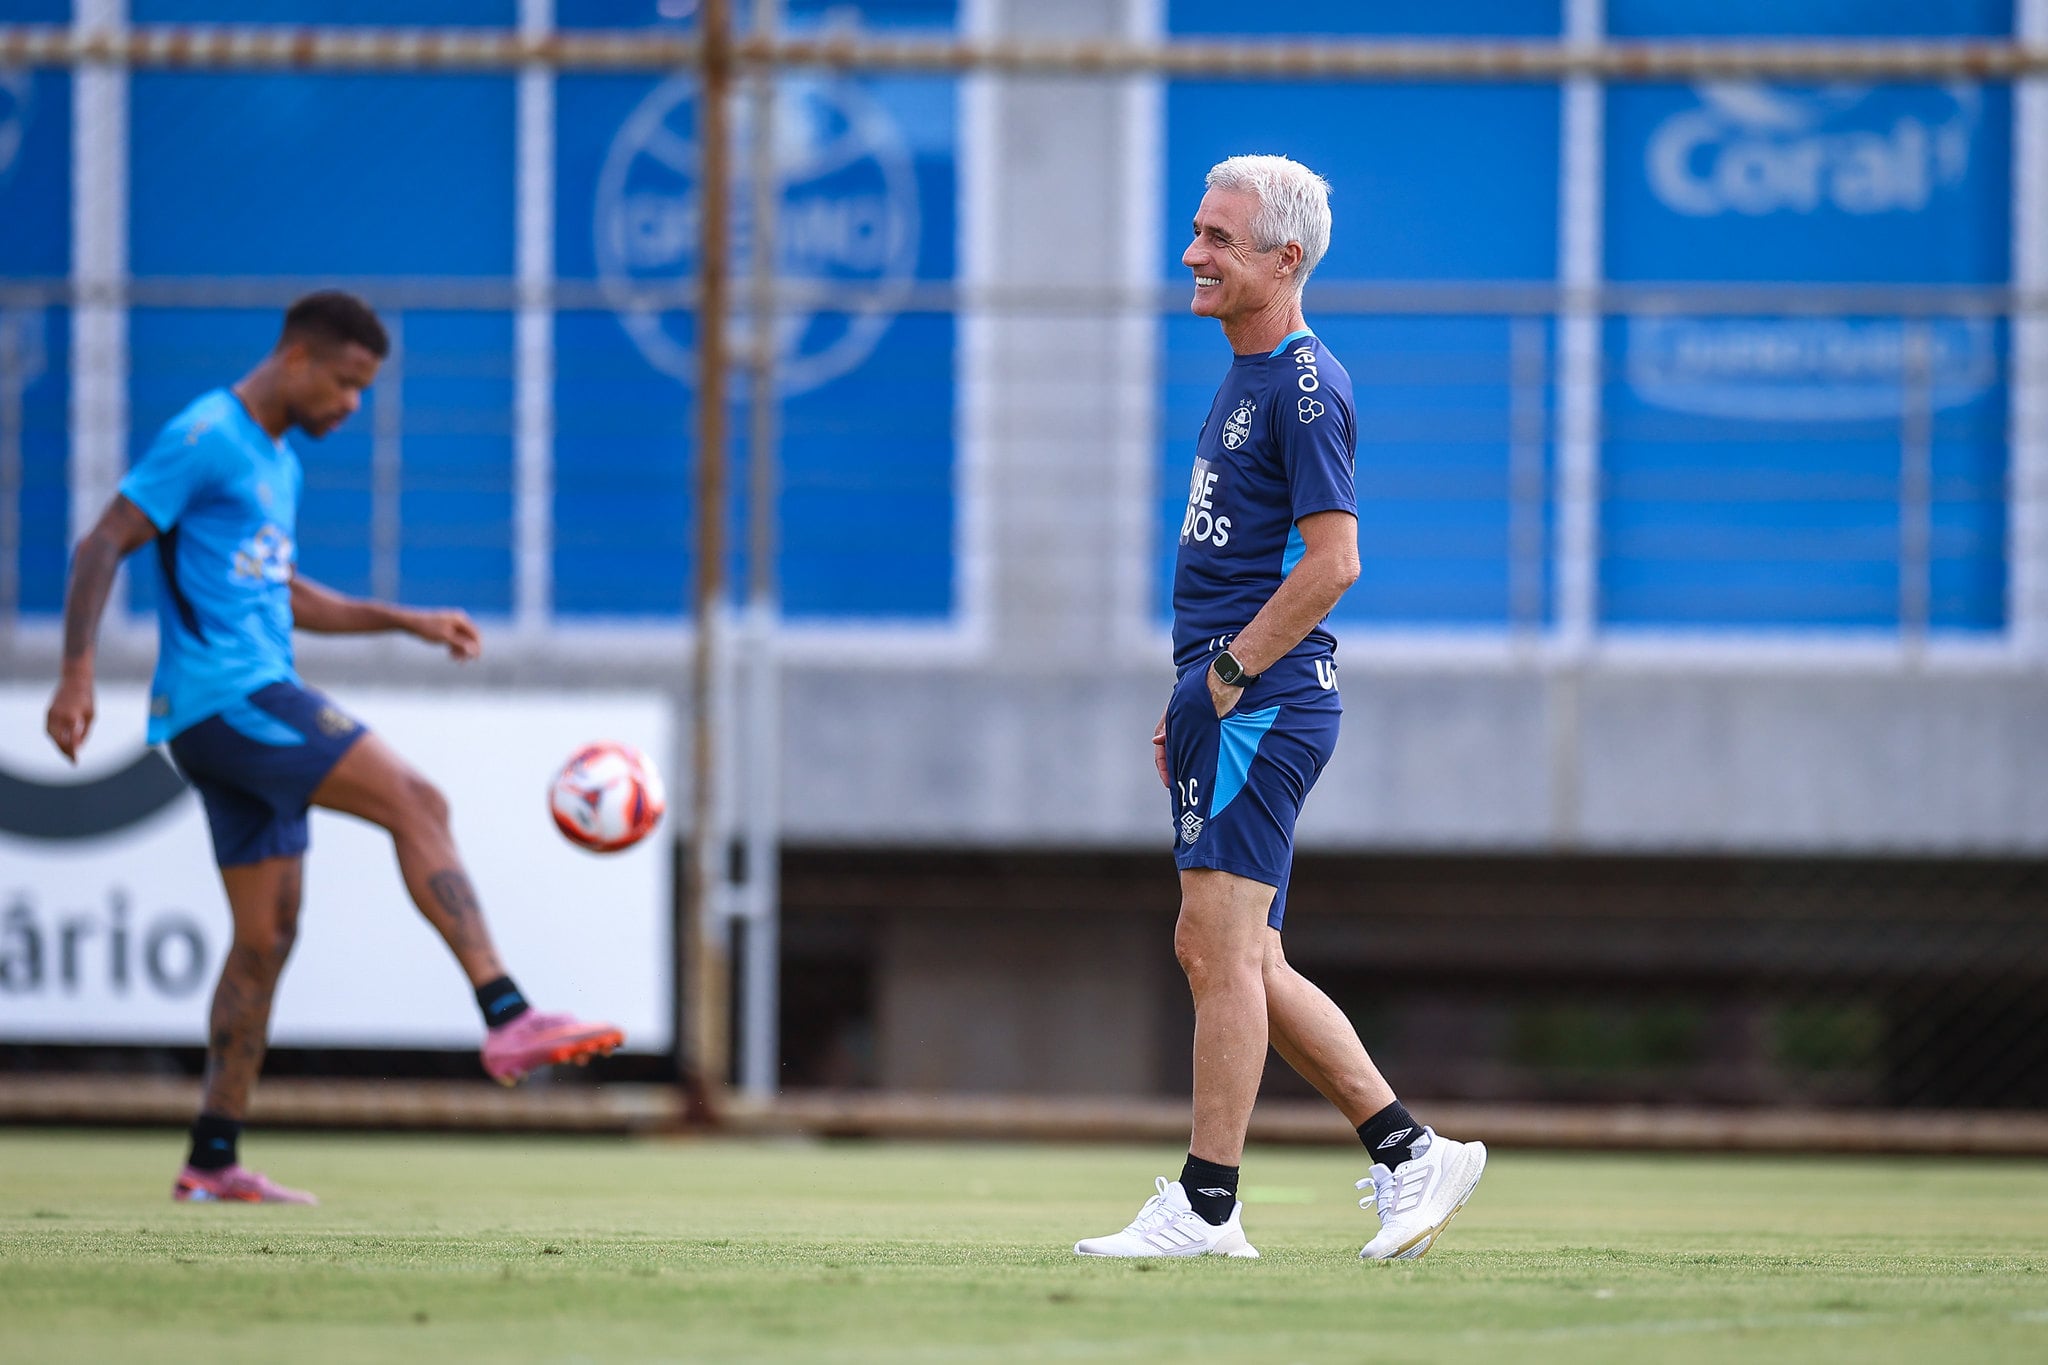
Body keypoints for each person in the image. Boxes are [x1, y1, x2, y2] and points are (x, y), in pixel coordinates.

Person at [45, 291, 624, 1204]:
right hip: (233, 701)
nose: (352, 405)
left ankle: (211, 1159)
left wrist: (406, 620)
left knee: (265, 940)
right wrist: (76, 674)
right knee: (417, 800)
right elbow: (102, 541)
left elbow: (284, 593)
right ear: (297, 358)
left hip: (230, 710)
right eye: (347, 383)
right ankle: (507, 1011)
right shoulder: (209, 433)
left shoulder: (277, 464)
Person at [1074, 157, 1486, 1262]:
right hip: (1232, 696)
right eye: (1195, 230)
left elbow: (1333, 562)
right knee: (1244, 956)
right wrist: (1194, 694)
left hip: (1259, 698)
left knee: (1212, 950)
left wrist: (1223, 680)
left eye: (1216, 237)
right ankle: (1408, 1153)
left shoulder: (1303, 385)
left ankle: (1209, 1205)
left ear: (1283, 260)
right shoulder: (1245, 371)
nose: (1191, 254)